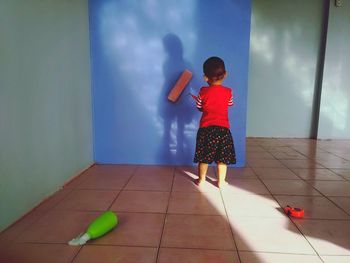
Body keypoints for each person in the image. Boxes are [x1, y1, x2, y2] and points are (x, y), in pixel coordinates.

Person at [193, 56, 236, 188]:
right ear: (225, 74)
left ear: (206, 77)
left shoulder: (203, 91)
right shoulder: (228, 92)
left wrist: (202, 105)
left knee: (204, 157)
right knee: (222, 159)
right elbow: (230, 104)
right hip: (223, 130)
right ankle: (221, 182)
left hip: (206, 129)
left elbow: (199, 107)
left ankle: (201, 180)